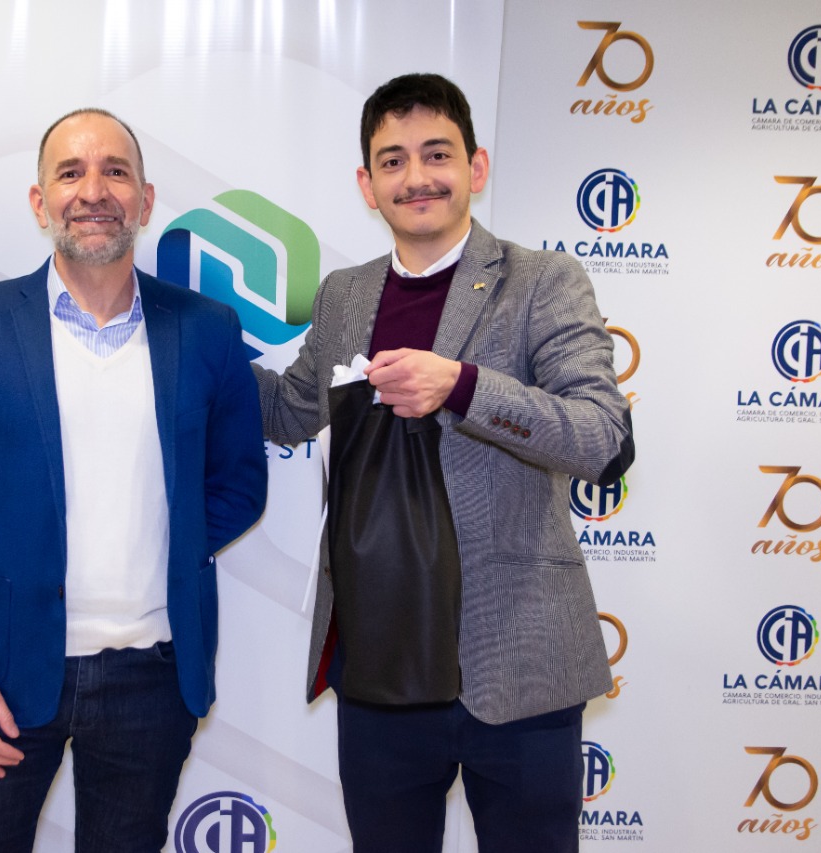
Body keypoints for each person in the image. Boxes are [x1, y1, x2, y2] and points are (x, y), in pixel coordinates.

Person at [253, 73, 635, 852]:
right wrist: (183, 341)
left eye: (437, 154)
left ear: (476, 166)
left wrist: (461, 385)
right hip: (380, 664)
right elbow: (293, 408)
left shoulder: (543, 281)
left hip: (519, 663)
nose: (416, 177)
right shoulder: (345, 294)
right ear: (367, 184)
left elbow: (600, 437)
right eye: (392, 161)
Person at [0, 108, 266, 852]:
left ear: (145, 201)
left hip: (153, 680)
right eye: (71, 173)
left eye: (114, 171)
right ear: (40, 203)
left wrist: (164, 543)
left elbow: (238, 485)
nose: (93, 191)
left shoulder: (207, 329)